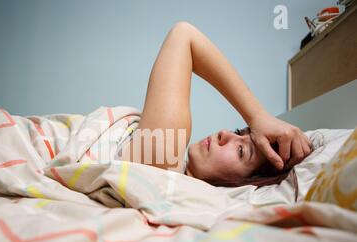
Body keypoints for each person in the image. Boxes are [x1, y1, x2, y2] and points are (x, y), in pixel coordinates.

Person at [117, 21, 312, 187]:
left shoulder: (161, 160)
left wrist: (258, 116)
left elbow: (183, 34)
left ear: (242, 185)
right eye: (238, 132)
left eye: (241, 151)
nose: (224, 134)